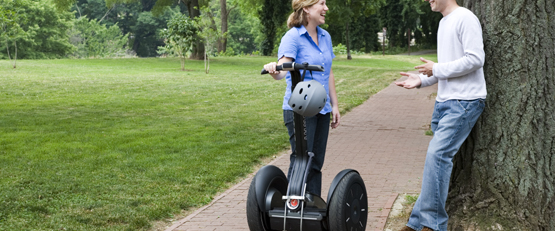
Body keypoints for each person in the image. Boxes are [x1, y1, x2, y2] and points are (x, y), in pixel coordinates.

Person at [395, 0, 487, 230]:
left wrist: (435, 69)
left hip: (465, 101)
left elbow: (476, 59)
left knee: (437, 156)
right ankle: (417, 223)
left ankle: (433, 225)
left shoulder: (465, 18)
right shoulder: (444, 22)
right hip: (444, 102)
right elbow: (445, 67)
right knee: (434, 161)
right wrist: (421, 80)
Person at [262, 0, 340, 197]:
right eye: (321, 3)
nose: (326, 8)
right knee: (302, 160)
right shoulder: (293, 37)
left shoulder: (325, 36)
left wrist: (335, 105)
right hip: (300, 108)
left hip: (322, 107)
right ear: (306, 8)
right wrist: (274, 68)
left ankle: (312, 208)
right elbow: (282, 70)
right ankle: (293, 208)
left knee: (316, 163)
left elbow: (328, 72)